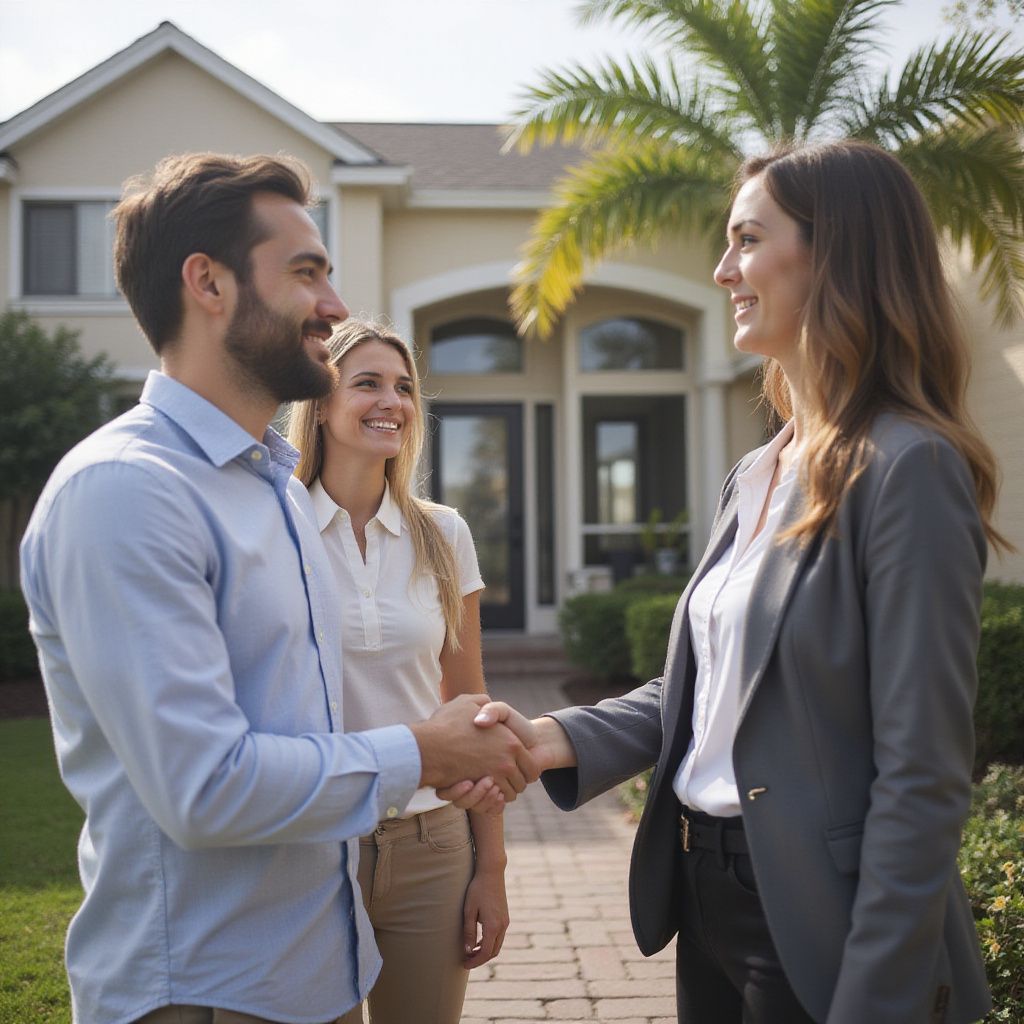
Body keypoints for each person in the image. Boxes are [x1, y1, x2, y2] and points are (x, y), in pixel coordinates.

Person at [461, 140, 1004, 1023]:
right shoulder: (757, 471)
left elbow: (924, 773)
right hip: (703, 894)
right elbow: (711, 684)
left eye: (747, 239)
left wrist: (876, 997)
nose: (722, 271)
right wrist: (550, 738)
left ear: (836, 255)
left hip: (821, 921)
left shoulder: (908, 468)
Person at [19, 153, 536, 1024]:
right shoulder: (127, 490)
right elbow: (206, 787)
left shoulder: (267, 491)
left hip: (314, 971)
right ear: (207, 283)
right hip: (207, 991)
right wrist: (427, 751)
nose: (333, 307)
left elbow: (308, 730)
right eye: (307, 273)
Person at [286, 317, 508, 1024]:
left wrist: (492, 866)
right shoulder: (273, 526)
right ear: (320, 402)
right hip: (307, 851)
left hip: (431, 844)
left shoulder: (443, 534)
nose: (393, 401)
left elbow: (472, 707)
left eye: (405, 387)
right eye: (369, 383)